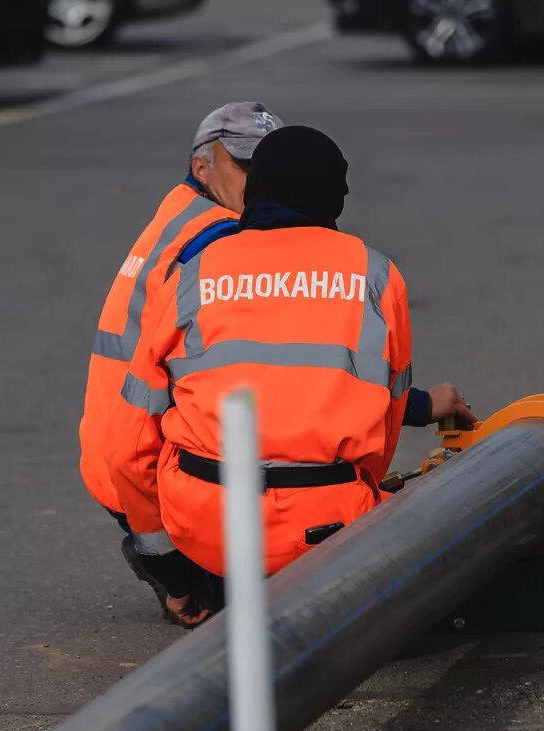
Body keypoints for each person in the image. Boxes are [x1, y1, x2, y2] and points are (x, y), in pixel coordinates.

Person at [108, 126, 476, 623]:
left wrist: (172, 573)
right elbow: (383, 423)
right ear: (334, 197)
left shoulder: (192, 273)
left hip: (206, 523)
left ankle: (219, 589)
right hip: (328, 521)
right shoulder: (376, 275)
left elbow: (131, 444)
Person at [79, 102, 283, 626]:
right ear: (202, 167)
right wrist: (170, 567)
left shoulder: (178, 212)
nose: (263, 183)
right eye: (245, 167)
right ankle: (178, 565)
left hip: (112, 457)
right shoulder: (219, 242)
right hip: (144, 473)